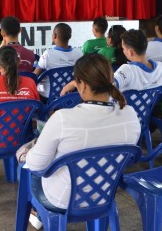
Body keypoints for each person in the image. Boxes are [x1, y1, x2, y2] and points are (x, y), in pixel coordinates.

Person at [24, 53, 141, 211]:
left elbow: (36, 164)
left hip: (64, 197)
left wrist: (27, 153)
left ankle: (36, 213)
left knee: (27, 169)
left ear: (83, 85)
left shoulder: (63, 119)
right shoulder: (130, 115)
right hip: (105, 193)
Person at [61, 29, 162, 95]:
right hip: (148, 114)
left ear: (130, 52)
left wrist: (76, 83)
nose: (123, 51)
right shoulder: (161, 68)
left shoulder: (128, 70)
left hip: (126, 116)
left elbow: (103, 90)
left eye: (123, 49)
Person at [33, 23, 83, 100]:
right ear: (70, 36)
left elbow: (35, 76)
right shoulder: (79, 54)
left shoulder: (48, 54)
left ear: (55, 36)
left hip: (48, 98)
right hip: (70, 96)